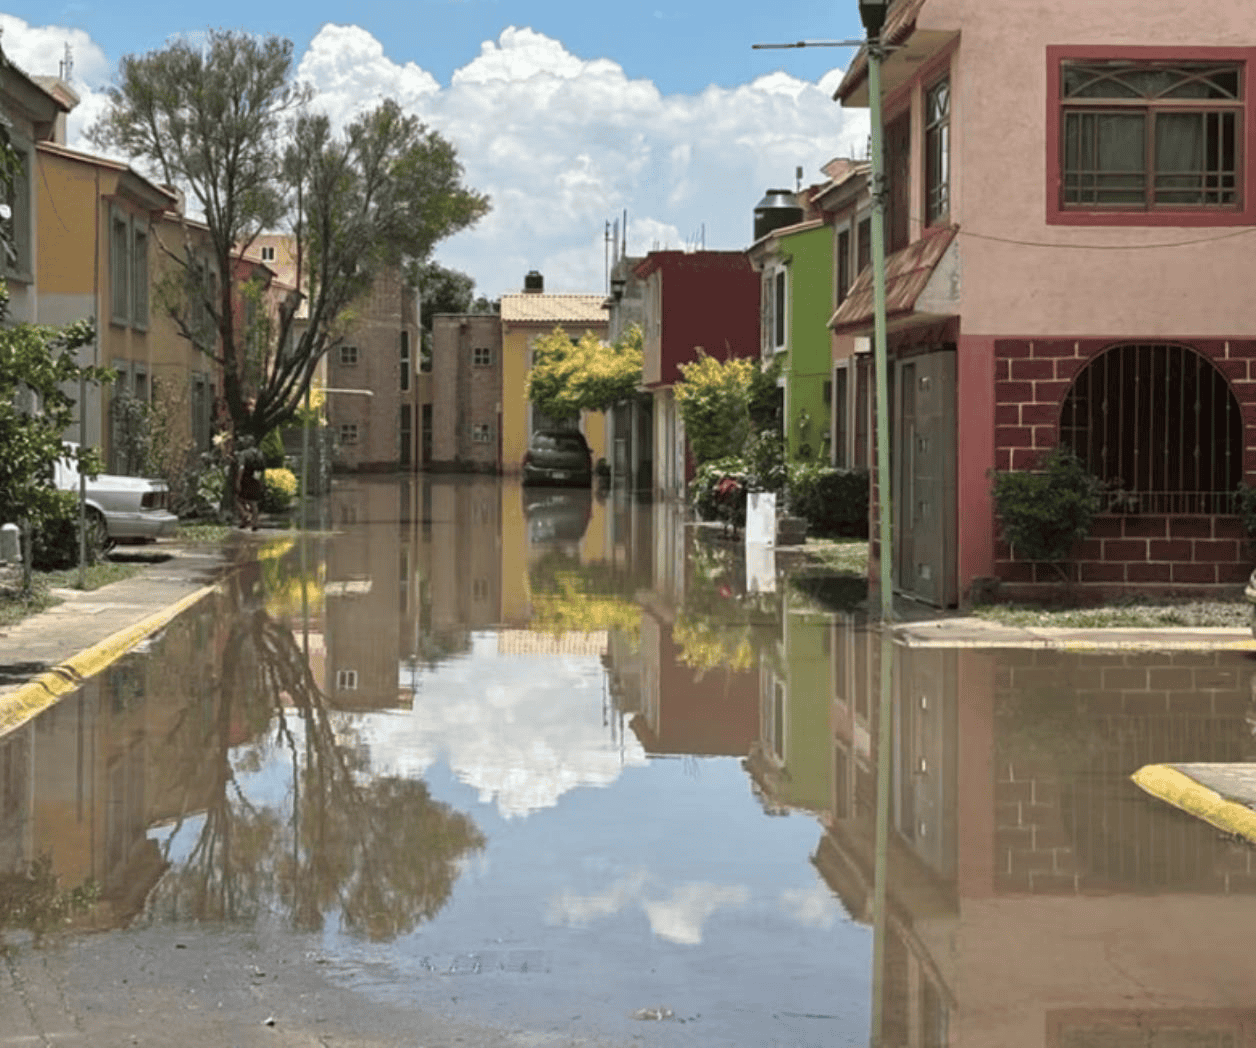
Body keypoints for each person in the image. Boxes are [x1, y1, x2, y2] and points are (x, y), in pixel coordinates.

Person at [235, 435, 266, 531]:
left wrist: (238, 480)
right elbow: (262, 469)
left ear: (248, 443)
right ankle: (254, 523)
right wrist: (262, 481)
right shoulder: (260, 453)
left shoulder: (244, 453)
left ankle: (244, 516)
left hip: (245, 478)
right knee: (254, 503)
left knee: (238, 499)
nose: (243, 443)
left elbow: (241, 467)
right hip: (256, 479)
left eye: (245, 441)